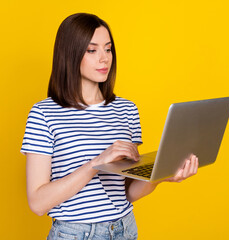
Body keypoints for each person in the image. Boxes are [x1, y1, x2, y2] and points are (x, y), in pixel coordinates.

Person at [21, 13, 198, 240]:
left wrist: (160, 175)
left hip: (124, 229)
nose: (104, 58)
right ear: (70, 53)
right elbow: (37, 203)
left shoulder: (126, 110)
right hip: (76, 234)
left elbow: (127, 192)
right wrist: (96, 164)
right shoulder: (44, 114)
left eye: (108, 49)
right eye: (92, 50)